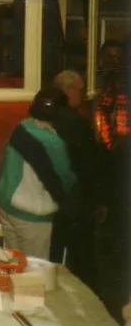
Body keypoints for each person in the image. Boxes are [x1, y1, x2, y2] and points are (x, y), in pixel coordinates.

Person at [0, 88, 77, 259]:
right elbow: (65, 180)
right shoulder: (53, 142)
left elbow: (1, 162)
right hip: (32, 216)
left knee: (13, 268)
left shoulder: (21, 128)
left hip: (7, 208)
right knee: (35, 274)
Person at [49, 71, 108, 290]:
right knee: (84, 258)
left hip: (58, 200)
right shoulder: (78, 123)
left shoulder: (50, 117)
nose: (83, 95)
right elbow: (90, 165)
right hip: (78, 201)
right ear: (68, 90)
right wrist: (99, 200)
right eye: (81, 90)